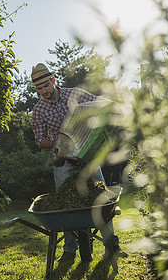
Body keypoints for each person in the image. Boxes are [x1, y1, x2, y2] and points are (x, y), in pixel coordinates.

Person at [31, 63, 127, 262]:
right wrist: (56, 141)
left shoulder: (74, 94)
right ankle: (69, 251)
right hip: (62, 161)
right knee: (65, 207)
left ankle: (112, 246)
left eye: (45, 86)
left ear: (53, 80)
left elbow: (99, 103)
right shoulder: (39, 110)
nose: (43, 91)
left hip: (87, 157)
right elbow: (40, 140)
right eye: (39, 89)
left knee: (103, 200)